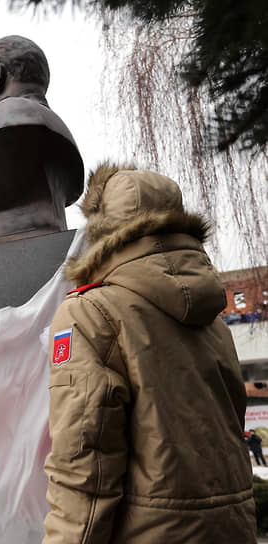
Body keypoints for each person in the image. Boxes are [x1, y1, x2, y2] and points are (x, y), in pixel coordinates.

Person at [43, 164, 257, 543]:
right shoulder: (215, 325)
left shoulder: (89, 311)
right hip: (231, 527)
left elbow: (84, 463)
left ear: (102, 228)